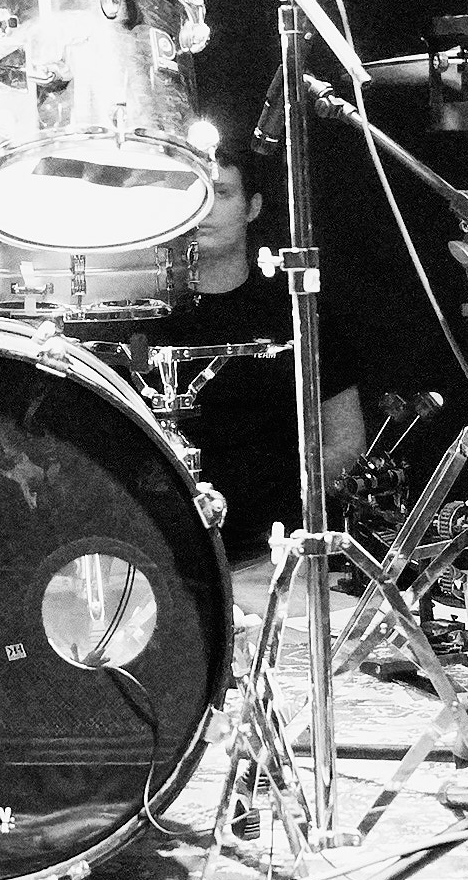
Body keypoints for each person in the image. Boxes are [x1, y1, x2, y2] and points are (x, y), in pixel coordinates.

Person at [139, 137, 366, 569]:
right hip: (158, 551)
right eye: (189, 194)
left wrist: (281, 517)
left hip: (277, 549)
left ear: (253, 207)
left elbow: (346, 438)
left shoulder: (298, 311)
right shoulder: (132, 316)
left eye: (220, 193)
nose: (201, 209)